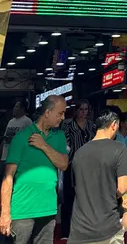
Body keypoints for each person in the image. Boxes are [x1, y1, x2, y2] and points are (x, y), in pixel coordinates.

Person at [0, 95, 68, 244]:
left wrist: (44, 145)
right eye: (60, 113)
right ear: (48, 113)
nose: (63, 117)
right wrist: (5, 213)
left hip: (48, 209)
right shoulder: (22, 137)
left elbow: (63, 164)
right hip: (22, 209)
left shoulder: (59, 136)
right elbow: (8, 177)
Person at [68, 107, 127, 244]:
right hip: (107, 227)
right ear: (114, 125)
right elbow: (123, 188)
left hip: (79, 228)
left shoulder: (79, 153)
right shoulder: (119, 148)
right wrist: (109, 194)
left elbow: (77, 188)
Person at [62, 101, 95, 239]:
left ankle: (85, 228)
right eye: (81, 109)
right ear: (76, 110)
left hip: (89, 166)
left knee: (87, 198)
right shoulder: (68, 125)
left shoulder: (92, 126)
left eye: (86, 109)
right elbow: (65, 145)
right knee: (69, 198)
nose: (83, 112)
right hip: (72, 165)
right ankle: (65, 231)